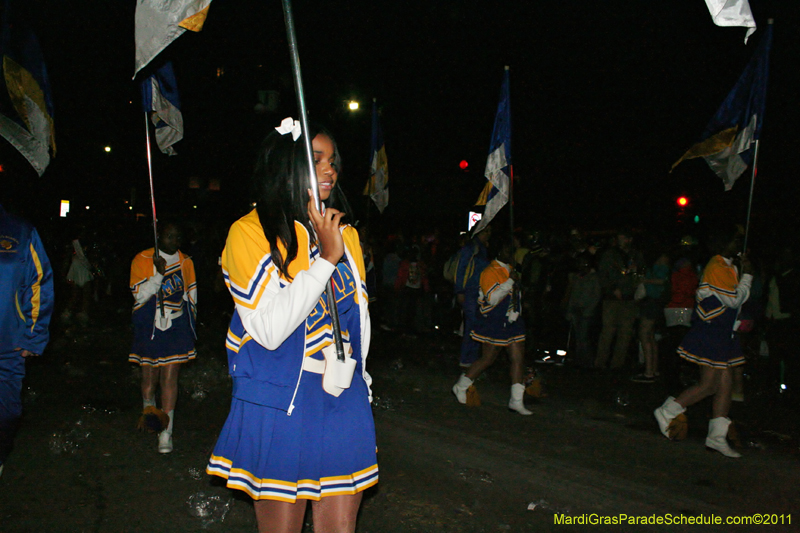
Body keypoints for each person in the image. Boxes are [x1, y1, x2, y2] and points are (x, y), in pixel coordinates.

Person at [206, 120, 377, 533]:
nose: (330, 170)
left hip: (343, 392)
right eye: (316, 159)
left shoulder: (344, 233)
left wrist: (362, 377)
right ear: (284, 163)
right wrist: (324, 261)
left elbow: (360, 318)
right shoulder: (250, 232)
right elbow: (267, 329)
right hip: (285, 398)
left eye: (333, 161)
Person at [654, 224, 752, 458]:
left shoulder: (728, 267)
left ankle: (716, 437)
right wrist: (747, 275)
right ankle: (668, 410)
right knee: (709, 384)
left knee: (725, 383)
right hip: (709, 334)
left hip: (722, 333)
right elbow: (733, 301)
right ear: (724, 244)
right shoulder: (716, 265)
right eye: (736, 241)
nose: (739, 245)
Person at [129, 221, 197, 454]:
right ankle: (151, 416)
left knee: (169, 378)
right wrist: (158, 275)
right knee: (149, 380)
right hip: (150, 326)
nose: (174, 242)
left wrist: (191, 327)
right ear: (159, 237)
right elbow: (138, 296)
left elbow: (191, 296)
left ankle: (166, 433)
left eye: (178, 237)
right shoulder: (142, 259)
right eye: (169, 236)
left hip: (176, 325)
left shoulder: (186, 261)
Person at [0, 203, 54, 478]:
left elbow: (38, 283)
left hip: (7, 345)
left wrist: (33, 335)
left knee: (8, 413)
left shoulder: (20, 231)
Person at [452, 236, 532, 415]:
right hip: (495, 321)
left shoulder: (511, 269)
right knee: (488, 358)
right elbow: (492, 298)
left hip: (512, 320)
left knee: (518, 358)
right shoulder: (490, 271)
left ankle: (516, 400)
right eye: (510, 250)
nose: (513, 254)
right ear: (501, 251)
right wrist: (510, 281)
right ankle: (462, 384)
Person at [594, 229, 642, 369]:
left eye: (624, 237)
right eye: (620, 237)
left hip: (629, 299)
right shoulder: (610, 255)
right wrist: (612, 289)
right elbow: (602, 275)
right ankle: (600, 362)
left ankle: (617, 364)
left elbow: (640, 274)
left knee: (625, 333)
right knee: (607, 331)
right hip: (611, 299)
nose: (622, 240)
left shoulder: (636, 255)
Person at [454, 225, 491, 367]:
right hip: (470, 291)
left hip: (479, 292)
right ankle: (466, 359)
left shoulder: (482, 248)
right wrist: (460, 291)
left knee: (477, 326)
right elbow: (460, 269)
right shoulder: (471, 247)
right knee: (472, 325)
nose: (489, 234)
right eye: (487, 231)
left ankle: (472, 359)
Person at [631, 251, 670, 383]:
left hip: (653, 301)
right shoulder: (656, 260)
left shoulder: (661, 259)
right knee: (650, 336)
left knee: (644, 334)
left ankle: (649, 372)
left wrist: (645, 280)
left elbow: (663, 280)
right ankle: (652, 369)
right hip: (653, 301)